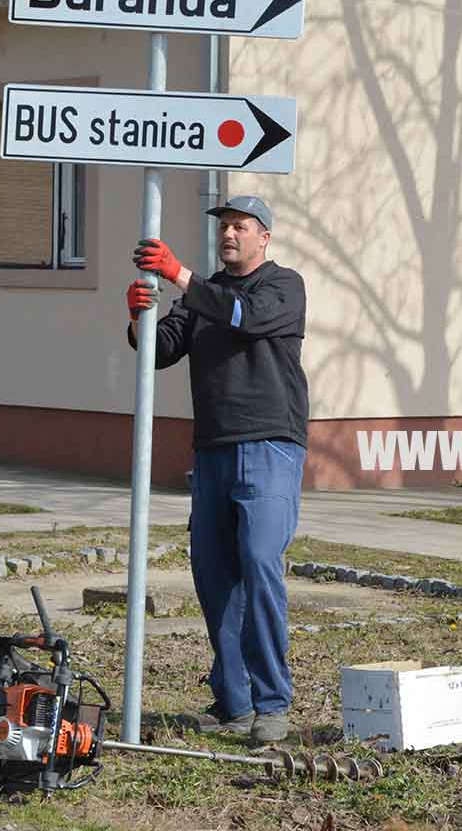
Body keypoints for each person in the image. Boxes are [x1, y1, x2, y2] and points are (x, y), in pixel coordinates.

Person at [126, 195, 308, 744]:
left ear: (264, 237)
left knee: (259, 564)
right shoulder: (199, 296)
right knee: (214, 578)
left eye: (240, 226)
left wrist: (179, 274)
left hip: (271, 446)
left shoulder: (283, 286)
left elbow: (245, 320)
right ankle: (234, 704)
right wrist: (138, 315)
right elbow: (158, 352)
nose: (229, 234)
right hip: (212, 452)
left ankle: (272, 704)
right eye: (224, 226)